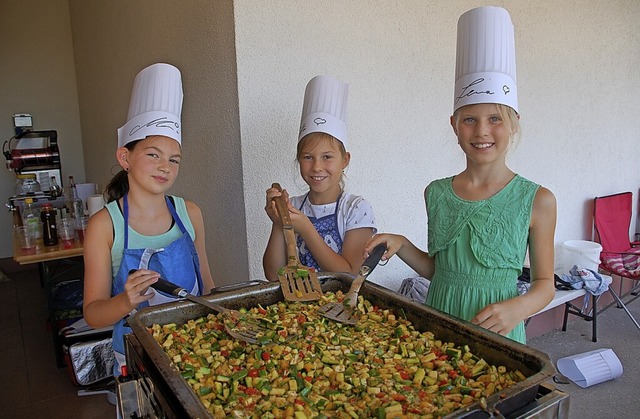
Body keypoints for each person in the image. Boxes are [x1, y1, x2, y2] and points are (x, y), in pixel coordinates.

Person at [365, 6, 556, 344]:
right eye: (470, 119)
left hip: (498, 334)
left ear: (513, 123)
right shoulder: (436, 193)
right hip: (440, 323)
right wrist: (403, 245)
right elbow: (440, 273)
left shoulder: (537, 200)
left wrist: (518, 309)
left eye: (495, 118)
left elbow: (544, 285)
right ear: (454, 125)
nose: (482, 131)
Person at [83, 63, 215, 376]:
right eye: (153, 154)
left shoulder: (190, 214)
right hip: (138, 358)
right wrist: (125, 300)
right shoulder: (104, 226)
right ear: (124, 158)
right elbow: (93, 314)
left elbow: (207, 285)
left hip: (196, 349)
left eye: (174, 159)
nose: (164, 166)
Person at [263, 75, 376, 281]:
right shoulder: (295, 206)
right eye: (308, 157)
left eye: (327, 157)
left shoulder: (356, 209)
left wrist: (306, 229)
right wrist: (280, 221)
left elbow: (349, 276)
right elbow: (273, 275)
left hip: (344, 310)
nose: (316, 167)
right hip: (299, 311)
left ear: (345, 160)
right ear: (298, 160)